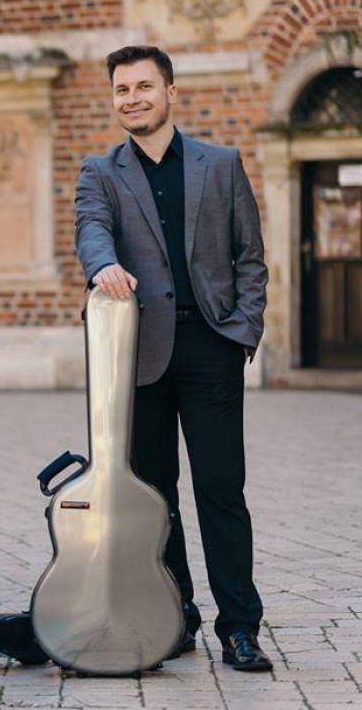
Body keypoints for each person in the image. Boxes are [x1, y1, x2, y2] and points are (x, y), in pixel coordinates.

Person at [75, 45, 271, 671]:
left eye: (143, 87)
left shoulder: (221, 165)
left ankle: (239, 628)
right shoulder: (100, 171)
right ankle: (175, 616)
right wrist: (103, 264)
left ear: (170, 92)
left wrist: (241, 332)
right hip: (138, 354)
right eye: (121, 90)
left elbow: (250, 257)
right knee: (154, 496)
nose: (131, 98)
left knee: (222, 490)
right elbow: (91, 228)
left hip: (210, 347)